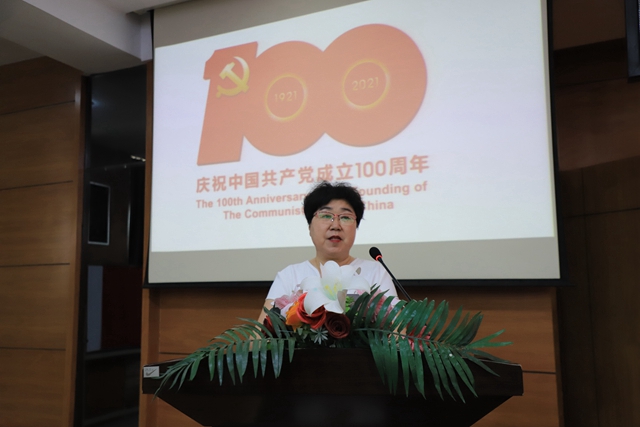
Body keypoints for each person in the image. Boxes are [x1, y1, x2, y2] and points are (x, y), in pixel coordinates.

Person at [258, 181, 398, 322]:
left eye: (345, 217)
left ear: (356, 227)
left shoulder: (376, 273)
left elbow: (397, 329)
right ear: (309, 227)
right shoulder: (289, 275)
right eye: (325, 215)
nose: (335, 225)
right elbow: (263, 330)